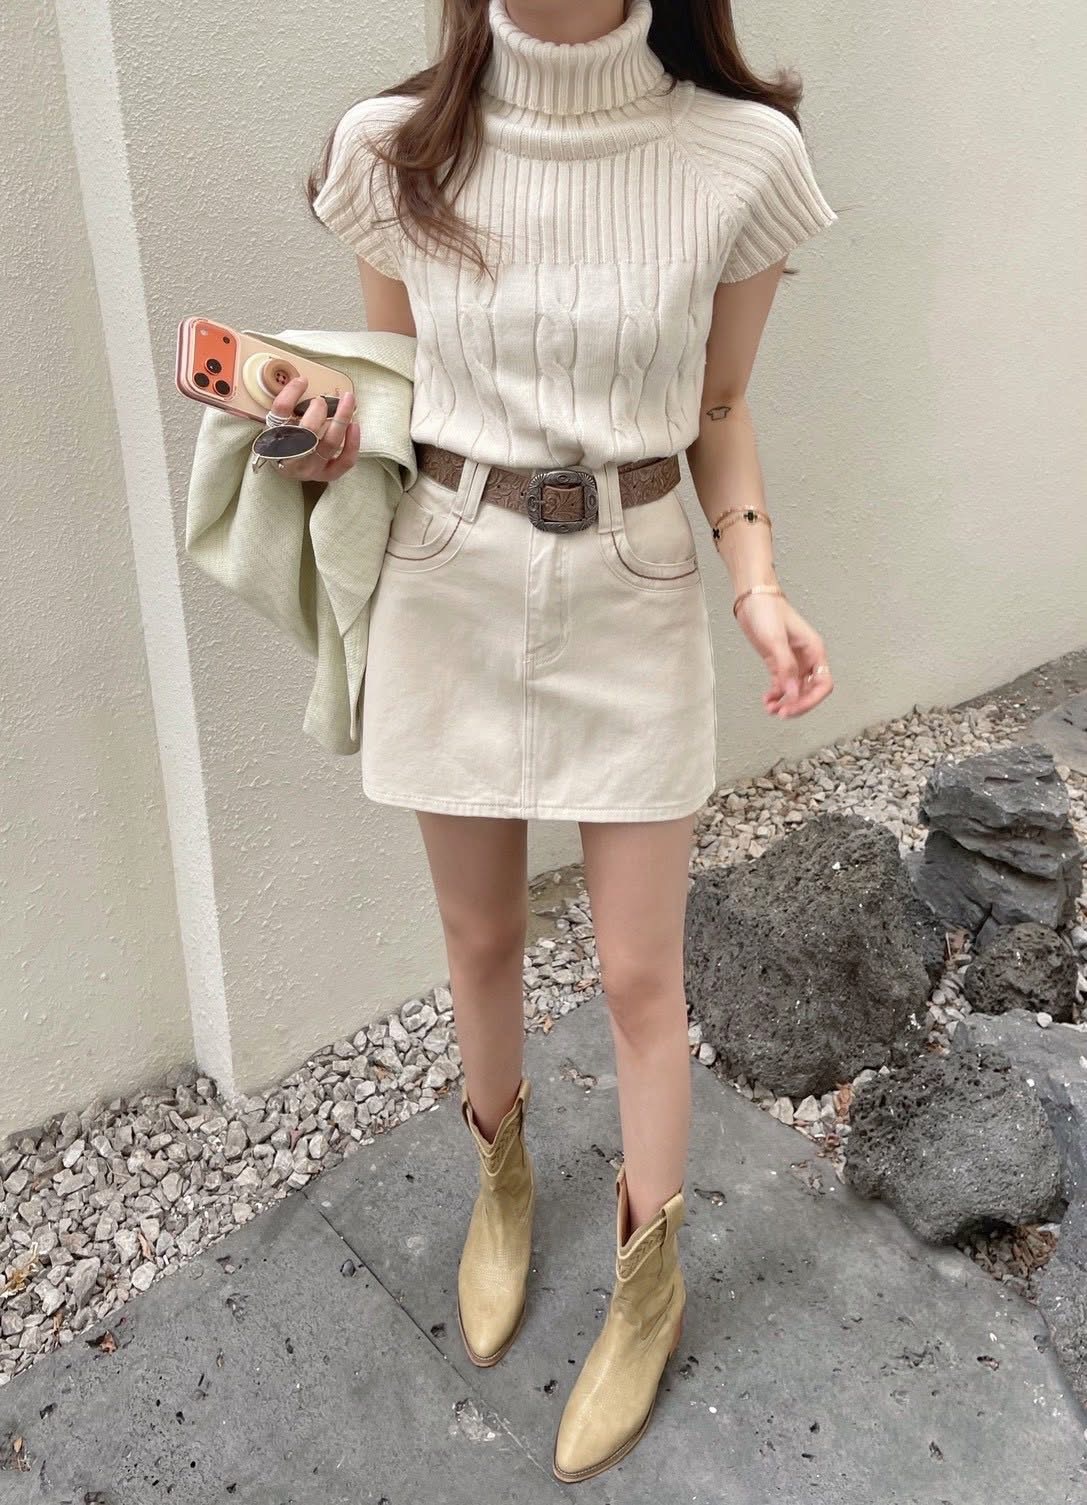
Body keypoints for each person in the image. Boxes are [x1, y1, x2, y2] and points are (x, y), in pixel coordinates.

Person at [292, 0, 837, 1482]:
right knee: (478, 938)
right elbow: (392, 393)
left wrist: (758, 583)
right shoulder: (395, 150)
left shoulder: (738, 156)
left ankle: (648, 1289)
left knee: (640, 975)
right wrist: (330, 433)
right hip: (450, 579)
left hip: (636, 584)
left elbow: (719, 403)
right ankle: (502, 1182)